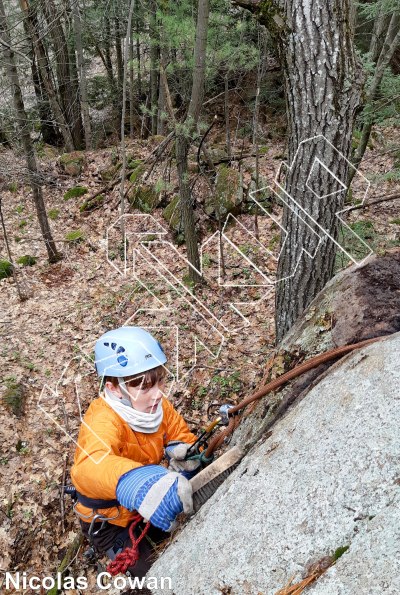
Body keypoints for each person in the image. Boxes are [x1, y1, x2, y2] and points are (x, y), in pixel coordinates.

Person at [70, 326, 204, 577]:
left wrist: (183, 450)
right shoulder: (103, 420)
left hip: (144, 505)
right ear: (113, 389)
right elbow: (90, 465)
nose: (158, 394)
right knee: (154, 577)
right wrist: (136, 480)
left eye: (160, 382)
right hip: (111, 522)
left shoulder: (158, 406)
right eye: (145, 387)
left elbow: (178, 432)